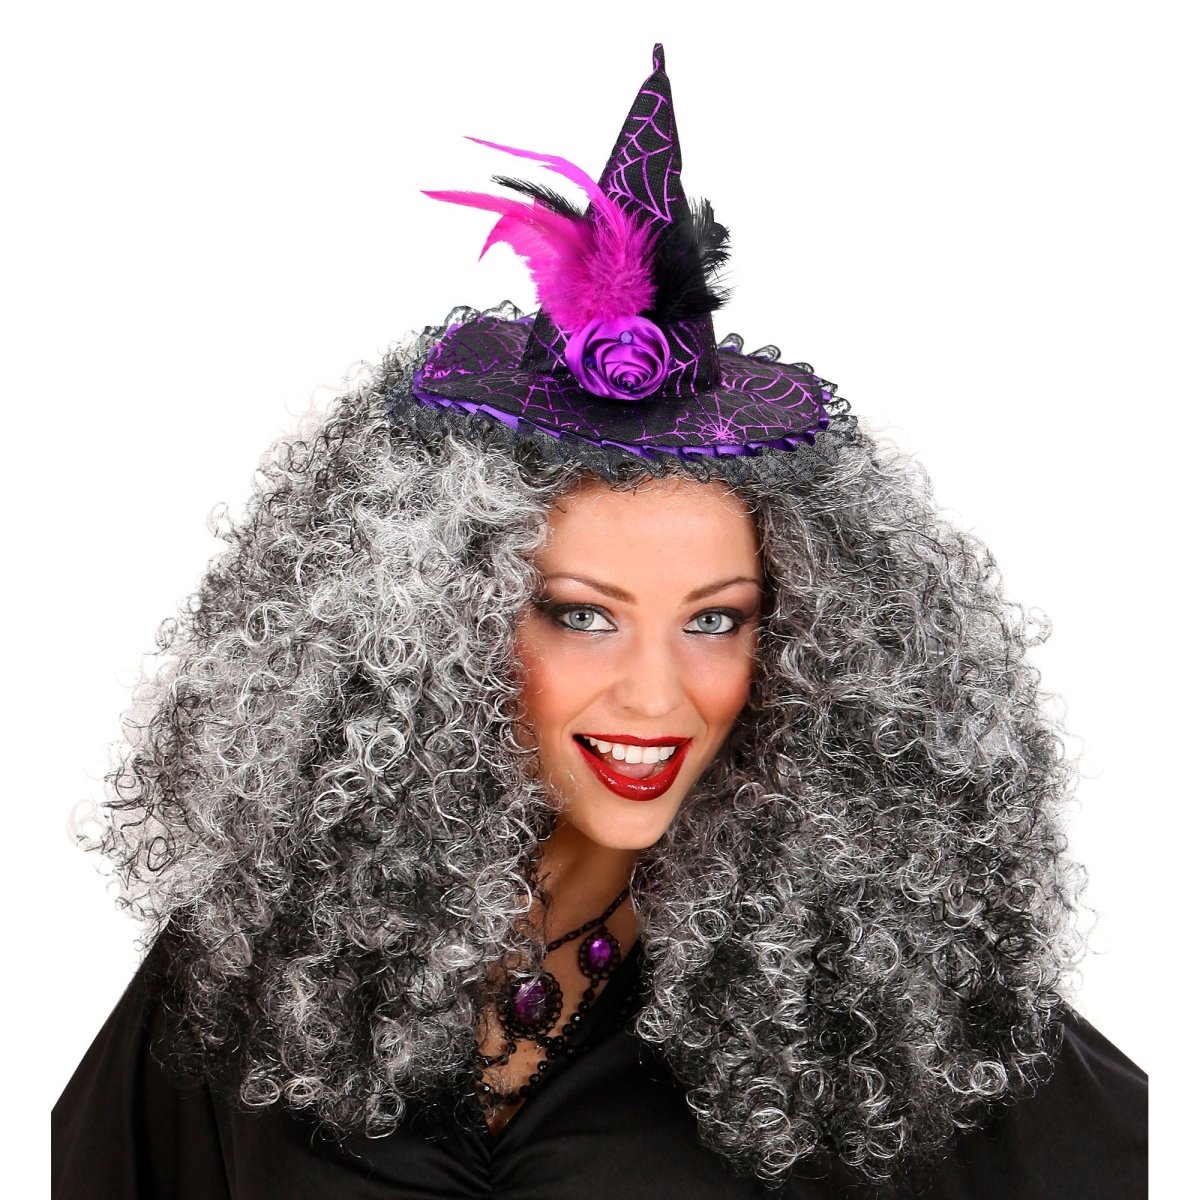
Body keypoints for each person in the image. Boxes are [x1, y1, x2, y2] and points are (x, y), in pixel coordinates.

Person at [52, 44, 1147, 1199]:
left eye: (715, 622)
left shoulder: (874, 1004)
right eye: (582, 615)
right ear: (438, 628)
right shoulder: (255, 966)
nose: (657, 696)